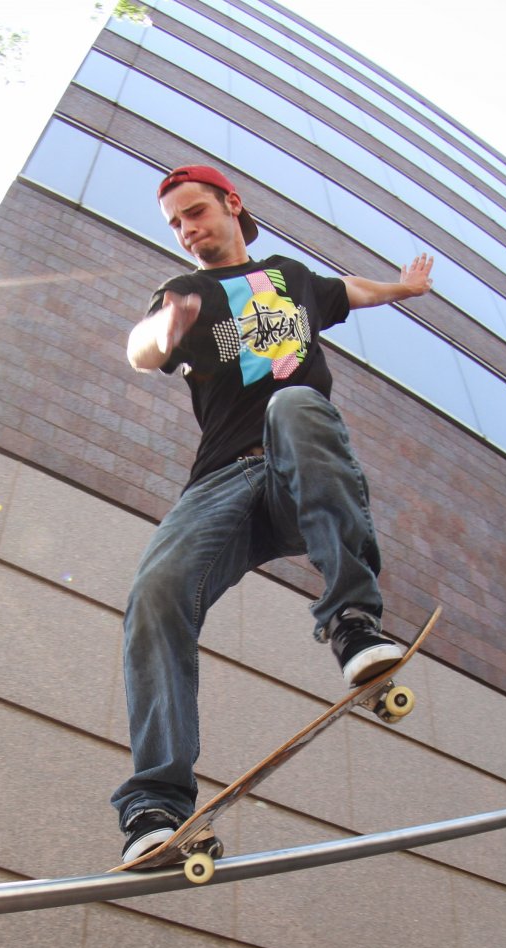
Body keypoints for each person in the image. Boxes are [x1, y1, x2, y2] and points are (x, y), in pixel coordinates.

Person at [113, 163, 434, 866]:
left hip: (300, 468)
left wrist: (402, 289)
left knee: (294, 402)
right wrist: (165, 329)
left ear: (232, 204)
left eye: (196, 213)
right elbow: (140, 351)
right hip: (222, 483)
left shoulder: (288, 277)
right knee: (156, 595)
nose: (188, 231)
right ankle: (157, 804)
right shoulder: (185, 292)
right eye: (175, 224)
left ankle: (353, 624)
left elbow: (347, 291)